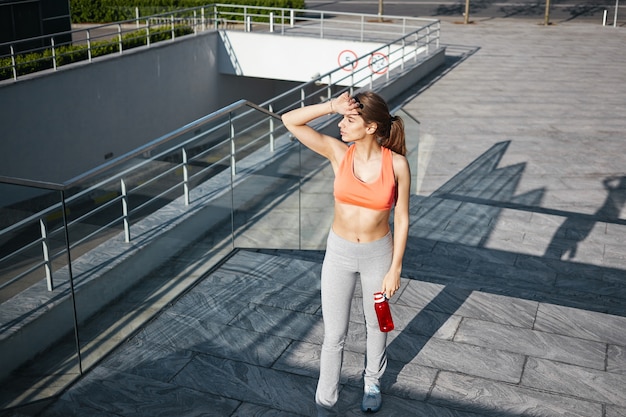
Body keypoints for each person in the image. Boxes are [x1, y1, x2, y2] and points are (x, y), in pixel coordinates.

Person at [281, 91, 411, 415]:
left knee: (376, 325)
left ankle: (372, 382)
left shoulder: (396, 164)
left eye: (349, 119)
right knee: (334, 332)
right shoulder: (339, 154)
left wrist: (395, 267)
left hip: (377, 255)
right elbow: (289, 121)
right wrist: (331, 106)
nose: (341, 124)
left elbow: (403, 217)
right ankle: (326, 397)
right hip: (338, 253)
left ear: (370, 127)